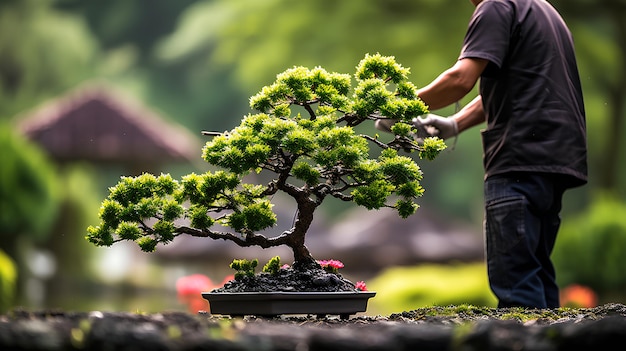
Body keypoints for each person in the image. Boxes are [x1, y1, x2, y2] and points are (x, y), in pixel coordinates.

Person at [377, 0, 587, 308]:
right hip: (553, 161)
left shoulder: (496, 6)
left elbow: (460, 79)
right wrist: (453, 124)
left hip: (517, 162)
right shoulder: (544, 11)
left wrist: (399, 104)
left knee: (517, 288)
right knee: (537, 274)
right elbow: (515, 85)